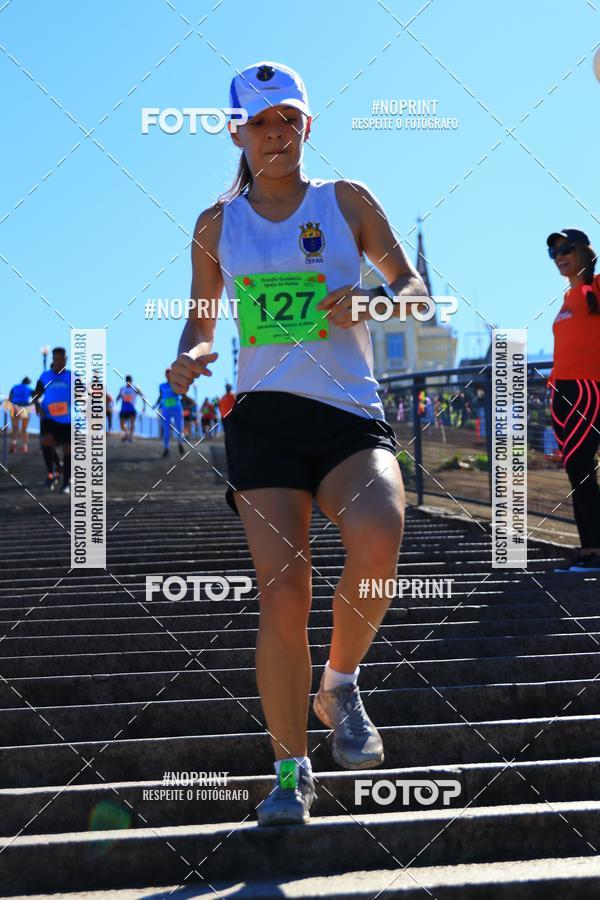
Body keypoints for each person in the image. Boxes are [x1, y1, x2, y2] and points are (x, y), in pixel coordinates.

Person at [169, 61, 427, 827]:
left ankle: (340, 683)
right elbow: (202, 320)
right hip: (266, 420)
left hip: (349, 413)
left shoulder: (346, 201)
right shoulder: (217, 225)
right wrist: (193, 354)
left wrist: (374, 300)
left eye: (288, 120)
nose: (275, 135)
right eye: (260, 123)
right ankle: (291, 774)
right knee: (284, 593)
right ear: (236, 132)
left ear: (307, 125)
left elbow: (412, 289)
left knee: (381, 529)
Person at [546, 229, 600, 573]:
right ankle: (590, 548)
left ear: (584, 250)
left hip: (588, 388)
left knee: (582, 469)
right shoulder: (569, 297)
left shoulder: (597, 287)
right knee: (577, 471)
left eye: (566, 248)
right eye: (553, 252)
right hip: (561, 391)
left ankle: (595, 551)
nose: (559, 255)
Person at [34, 347, 71, 493]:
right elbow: (36, 394)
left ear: (65, 360)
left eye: (62, 360)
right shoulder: (45, 376)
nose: (59, 363)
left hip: (67, 419)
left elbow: (83, 393)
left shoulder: (72, 376)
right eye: (56, 360)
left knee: (68, 448)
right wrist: (37, 406)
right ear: (53, 360)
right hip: (48, 416)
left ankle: (66, 483)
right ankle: (51, 474)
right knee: (46, 441)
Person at [153, 369, 184, 458]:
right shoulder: (162, 385)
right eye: (167, 374)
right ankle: (166, 448)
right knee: (166, 429)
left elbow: (182, 393)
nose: (168, 375)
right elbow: (160, 396)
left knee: (179, 427)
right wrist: (156, 404)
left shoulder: (176, 383)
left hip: (177, 407)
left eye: (170, 374)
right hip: (166, 408)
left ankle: (180, 443)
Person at [6, 377, 33, 453]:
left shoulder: (15, 387)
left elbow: (10, 398)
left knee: (15, 428)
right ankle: (24, 447)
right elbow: (35, 397)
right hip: (25, 408)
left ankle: (13, 444)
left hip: (15, 408)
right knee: (24, 429)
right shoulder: (29, 388)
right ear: (28, 382)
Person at [116, 375, 138, 442]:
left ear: (131, 381)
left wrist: (144, 406)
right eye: (128, 380)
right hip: (124, 409)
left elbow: (142, 395)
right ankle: (127, 433)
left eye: (130, 380)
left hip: (132, 409)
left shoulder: (134, 389)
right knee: (121, 424)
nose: (129, 382)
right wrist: (117, 398)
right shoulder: (122, 389)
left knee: (132, 423)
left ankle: (130, 437)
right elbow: (119, 396)